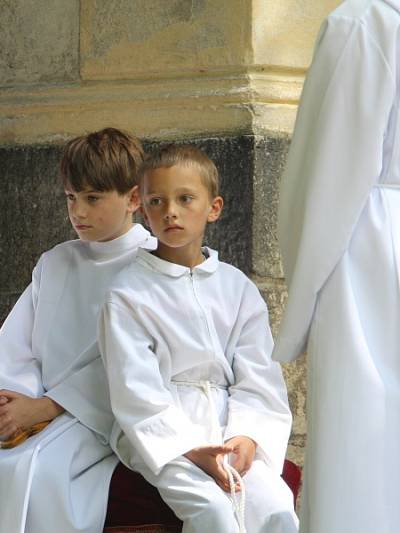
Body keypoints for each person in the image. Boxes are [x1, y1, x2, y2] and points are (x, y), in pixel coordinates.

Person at [0, 128, 155, 532]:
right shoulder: (55, 263)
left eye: (93, 198)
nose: (78, 213)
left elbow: (135, 366)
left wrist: (50, 407)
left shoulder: (152, 267)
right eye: (71, 198)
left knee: (41, 480)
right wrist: (12, 403)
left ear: (133, 199)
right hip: (36, 411)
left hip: (98, 422)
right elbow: (16, 348)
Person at [99, 145, 297, 533]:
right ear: (143, 210)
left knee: (275, 507)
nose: (170, 210)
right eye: (157, 201)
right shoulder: (127, 293)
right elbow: (134, 389)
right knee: (213, 512)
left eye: (185, 198)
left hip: (229, 422)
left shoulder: (237, 288)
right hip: (161, 430)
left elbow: (259, 377)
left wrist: (246, 437)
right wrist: (188, 448)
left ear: (214, 207)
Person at [274, 2, 400, 531]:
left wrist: (298, 309)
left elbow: (325, 168)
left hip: (368, 244)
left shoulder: (363, 22)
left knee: (361, 437)